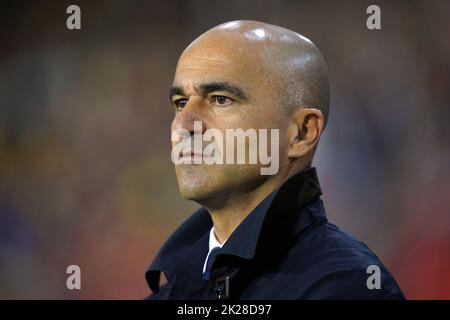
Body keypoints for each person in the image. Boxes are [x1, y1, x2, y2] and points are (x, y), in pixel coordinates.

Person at [145, 20, 405, 299]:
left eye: (220, 99)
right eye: (181, 102)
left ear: (302, 132)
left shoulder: (346, 287)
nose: (183, 125)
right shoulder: (172, 291)